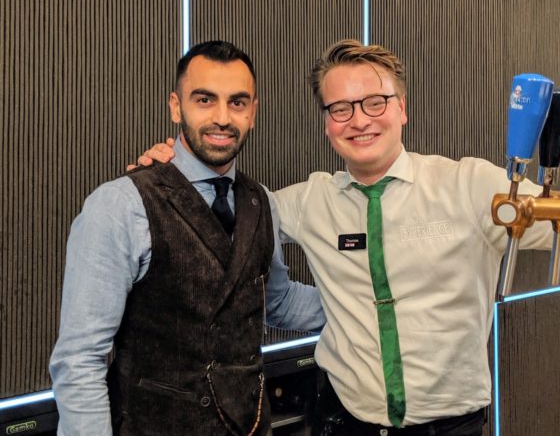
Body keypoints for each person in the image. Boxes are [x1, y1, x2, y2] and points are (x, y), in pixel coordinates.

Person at [139, 39, 553, 436]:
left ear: (402, 108)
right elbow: (218, 215)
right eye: (340, 108)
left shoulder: (472, 186)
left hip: (450, 427)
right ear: (326, 124)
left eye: (376, 102)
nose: (359, 120)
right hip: (344, 421)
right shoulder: (309, 201)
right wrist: (175, 172)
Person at [50, 41, 324, 436]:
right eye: (204, 100)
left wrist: (368, 306)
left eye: (237, 102)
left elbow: (276, 300)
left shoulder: (261, 200)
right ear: (176, 107)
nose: (222, 118)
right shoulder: (120, 205)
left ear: (253, 113)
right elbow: (79, 361)